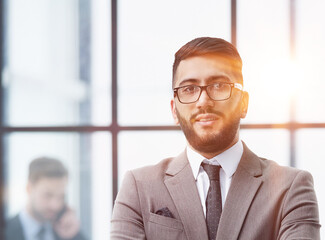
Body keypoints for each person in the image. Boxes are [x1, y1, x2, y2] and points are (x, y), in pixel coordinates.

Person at [110, 37, 321, 240]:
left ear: (243, 103)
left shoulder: (290, 188)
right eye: (189, 89)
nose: (203, 101)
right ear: (174, 109)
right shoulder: (138, 188)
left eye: (219, 86)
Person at [5, 157, 86, 240]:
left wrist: (74, 236)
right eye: (48, 195)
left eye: (61, 196)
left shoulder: (68, 232)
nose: (55, 205)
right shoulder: (5, 231)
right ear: (29, 188)